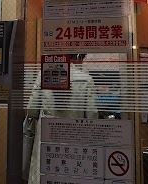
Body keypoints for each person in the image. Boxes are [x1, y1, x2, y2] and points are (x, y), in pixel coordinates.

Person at [26, 53, 98, 184]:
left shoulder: (44, 75)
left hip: (48, 135)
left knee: (45, 171)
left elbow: (32, 110)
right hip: (75, 137)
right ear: (77, 57)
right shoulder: (86, 79)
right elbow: (92, 116)